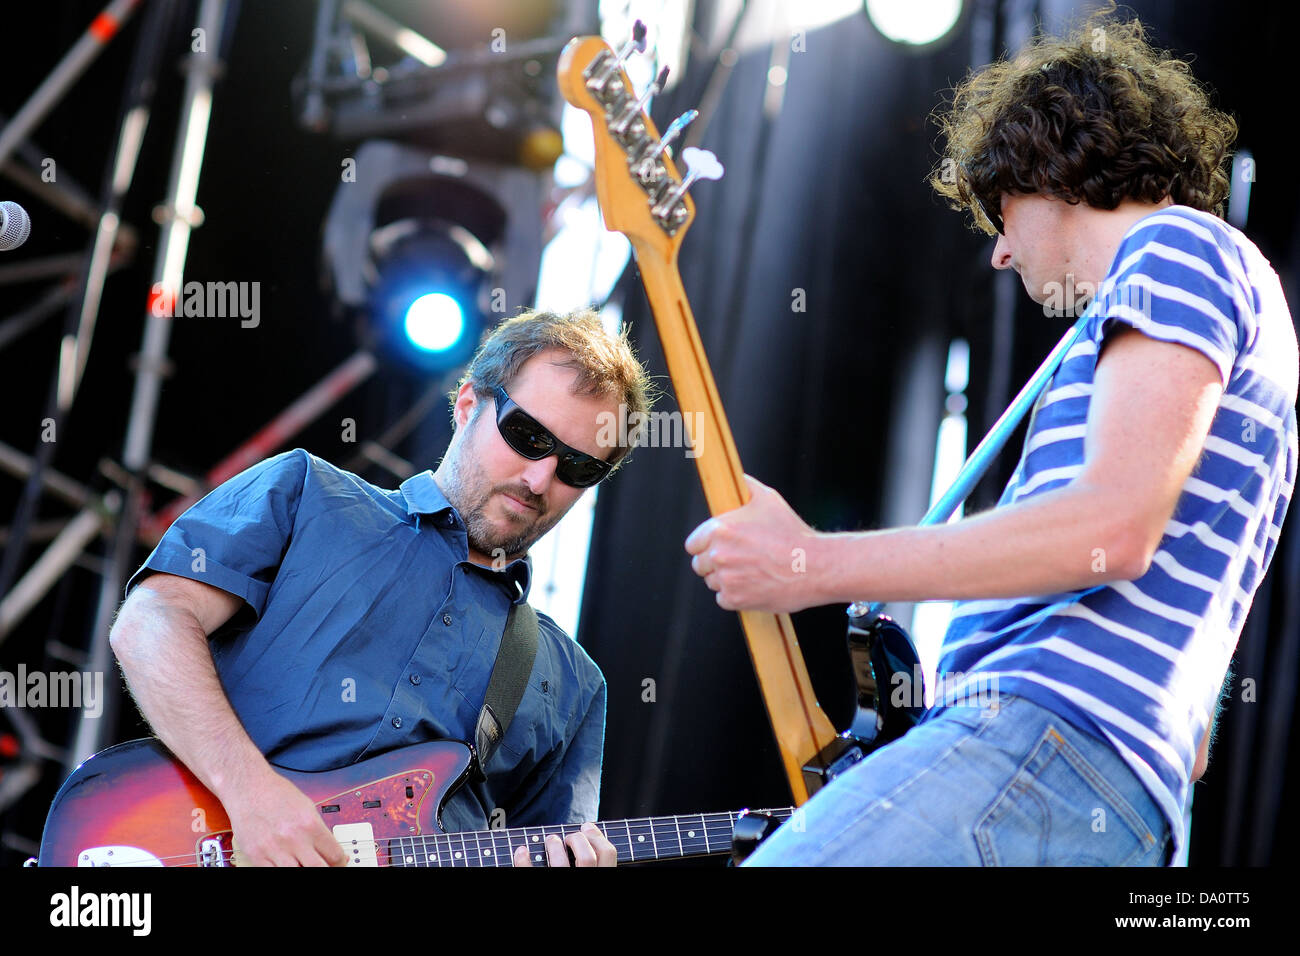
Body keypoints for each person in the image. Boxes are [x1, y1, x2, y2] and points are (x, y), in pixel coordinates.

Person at [686, 13, 1298, 865]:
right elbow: (1188, 732)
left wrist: (809, 564)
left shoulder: (1176, 249)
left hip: (1040, 747)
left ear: (1052, 166)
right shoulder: (1194, 297)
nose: (1002, 254)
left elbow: (1107, 533)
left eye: (1000, 210)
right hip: (1102, 790)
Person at [109, 308, 652, 867]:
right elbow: (151, 620)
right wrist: (250, 793)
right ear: (468, 405)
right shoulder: (305, 493)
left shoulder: (576, 687)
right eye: (527, 434)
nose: (540, 479)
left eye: (578, 468)